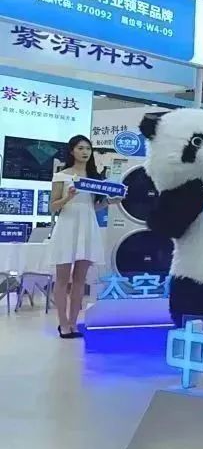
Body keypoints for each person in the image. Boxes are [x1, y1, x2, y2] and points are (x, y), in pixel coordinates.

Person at [49, 136, 121, 338]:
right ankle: (63, 324)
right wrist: (68, 197)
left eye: (88, 149)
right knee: (62, 279)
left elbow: (92, 207)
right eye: (80, 148)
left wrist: (109, 202)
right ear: (72, 151)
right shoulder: (61, 176)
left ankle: (73, 323)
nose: (85, 152)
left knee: (80, 280)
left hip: (88, 227)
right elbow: (53, 207)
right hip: (67, 227)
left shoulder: (94, 178)